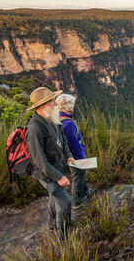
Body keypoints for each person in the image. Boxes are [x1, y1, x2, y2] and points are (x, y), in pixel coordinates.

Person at [25, 87, 75, 240]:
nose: (55, 104)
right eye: (52, 101)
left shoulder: (53, 119)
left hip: (56, 167)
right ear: (42, 105)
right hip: (46, 174)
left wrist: (68, 156)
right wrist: (59, 177)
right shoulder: (34, 128)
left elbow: (63, 140)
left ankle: (52, 223)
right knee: (65, 202)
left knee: (54, 197)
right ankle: (63, 237)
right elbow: (39, 159)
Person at [56, 94, 94, 208]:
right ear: (68, 106)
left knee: (80, 175)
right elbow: (73, 144)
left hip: (69, 156)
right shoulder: (68, 124)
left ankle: (85, 191)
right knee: (78, 176)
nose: (74, 106)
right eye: (72, 104)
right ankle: (77, 202)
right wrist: (81, 158)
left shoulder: (60, 119)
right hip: (75, 156)